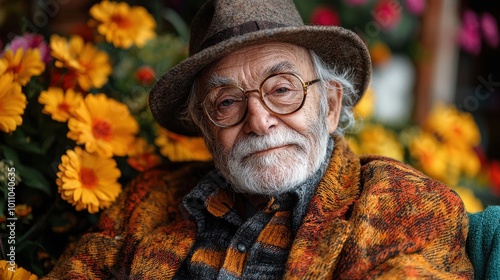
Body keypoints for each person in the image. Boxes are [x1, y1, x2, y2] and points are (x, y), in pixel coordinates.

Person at [44, 0, 474, 279]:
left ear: (328, 104)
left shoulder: (406, 204)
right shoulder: (148, 202)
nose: (259, 120)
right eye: (227, 101)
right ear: (205, 128)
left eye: (282, 89)